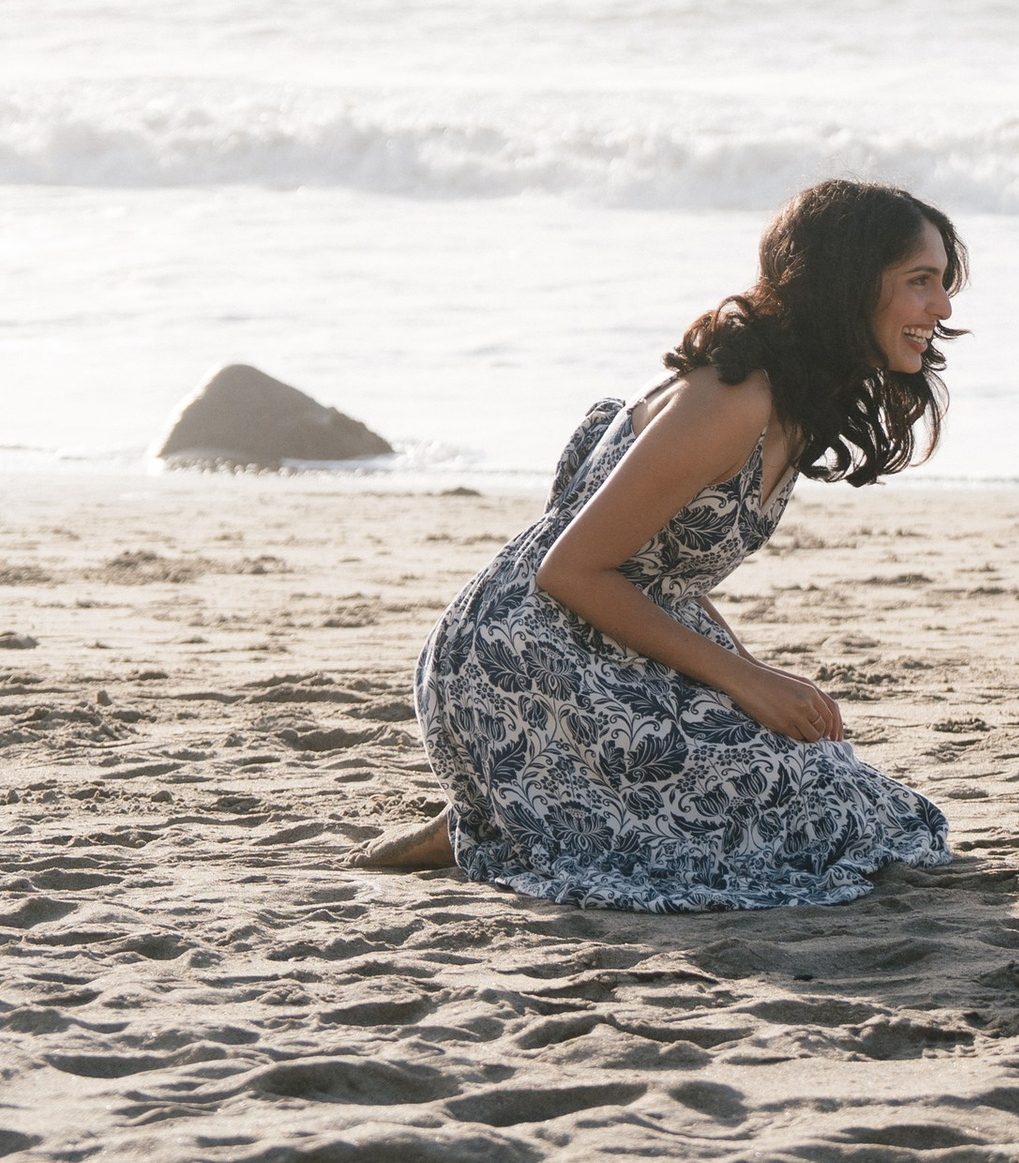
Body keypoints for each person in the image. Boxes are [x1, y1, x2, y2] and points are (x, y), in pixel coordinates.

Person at [354, 179, 964, 909]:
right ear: (848, 281)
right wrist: (748, 683)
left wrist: (753, 670)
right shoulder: (732, 399)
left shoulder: (795, 401)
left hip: (609, 637)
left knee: (855, 798)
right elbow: (569, 569)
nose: (943, 307)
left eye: (943, 283)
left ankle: (508, 807)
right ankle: (491, 817)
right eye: (920, 282)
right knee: (803, 819)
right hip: (518, 650)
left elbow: (662, 568)